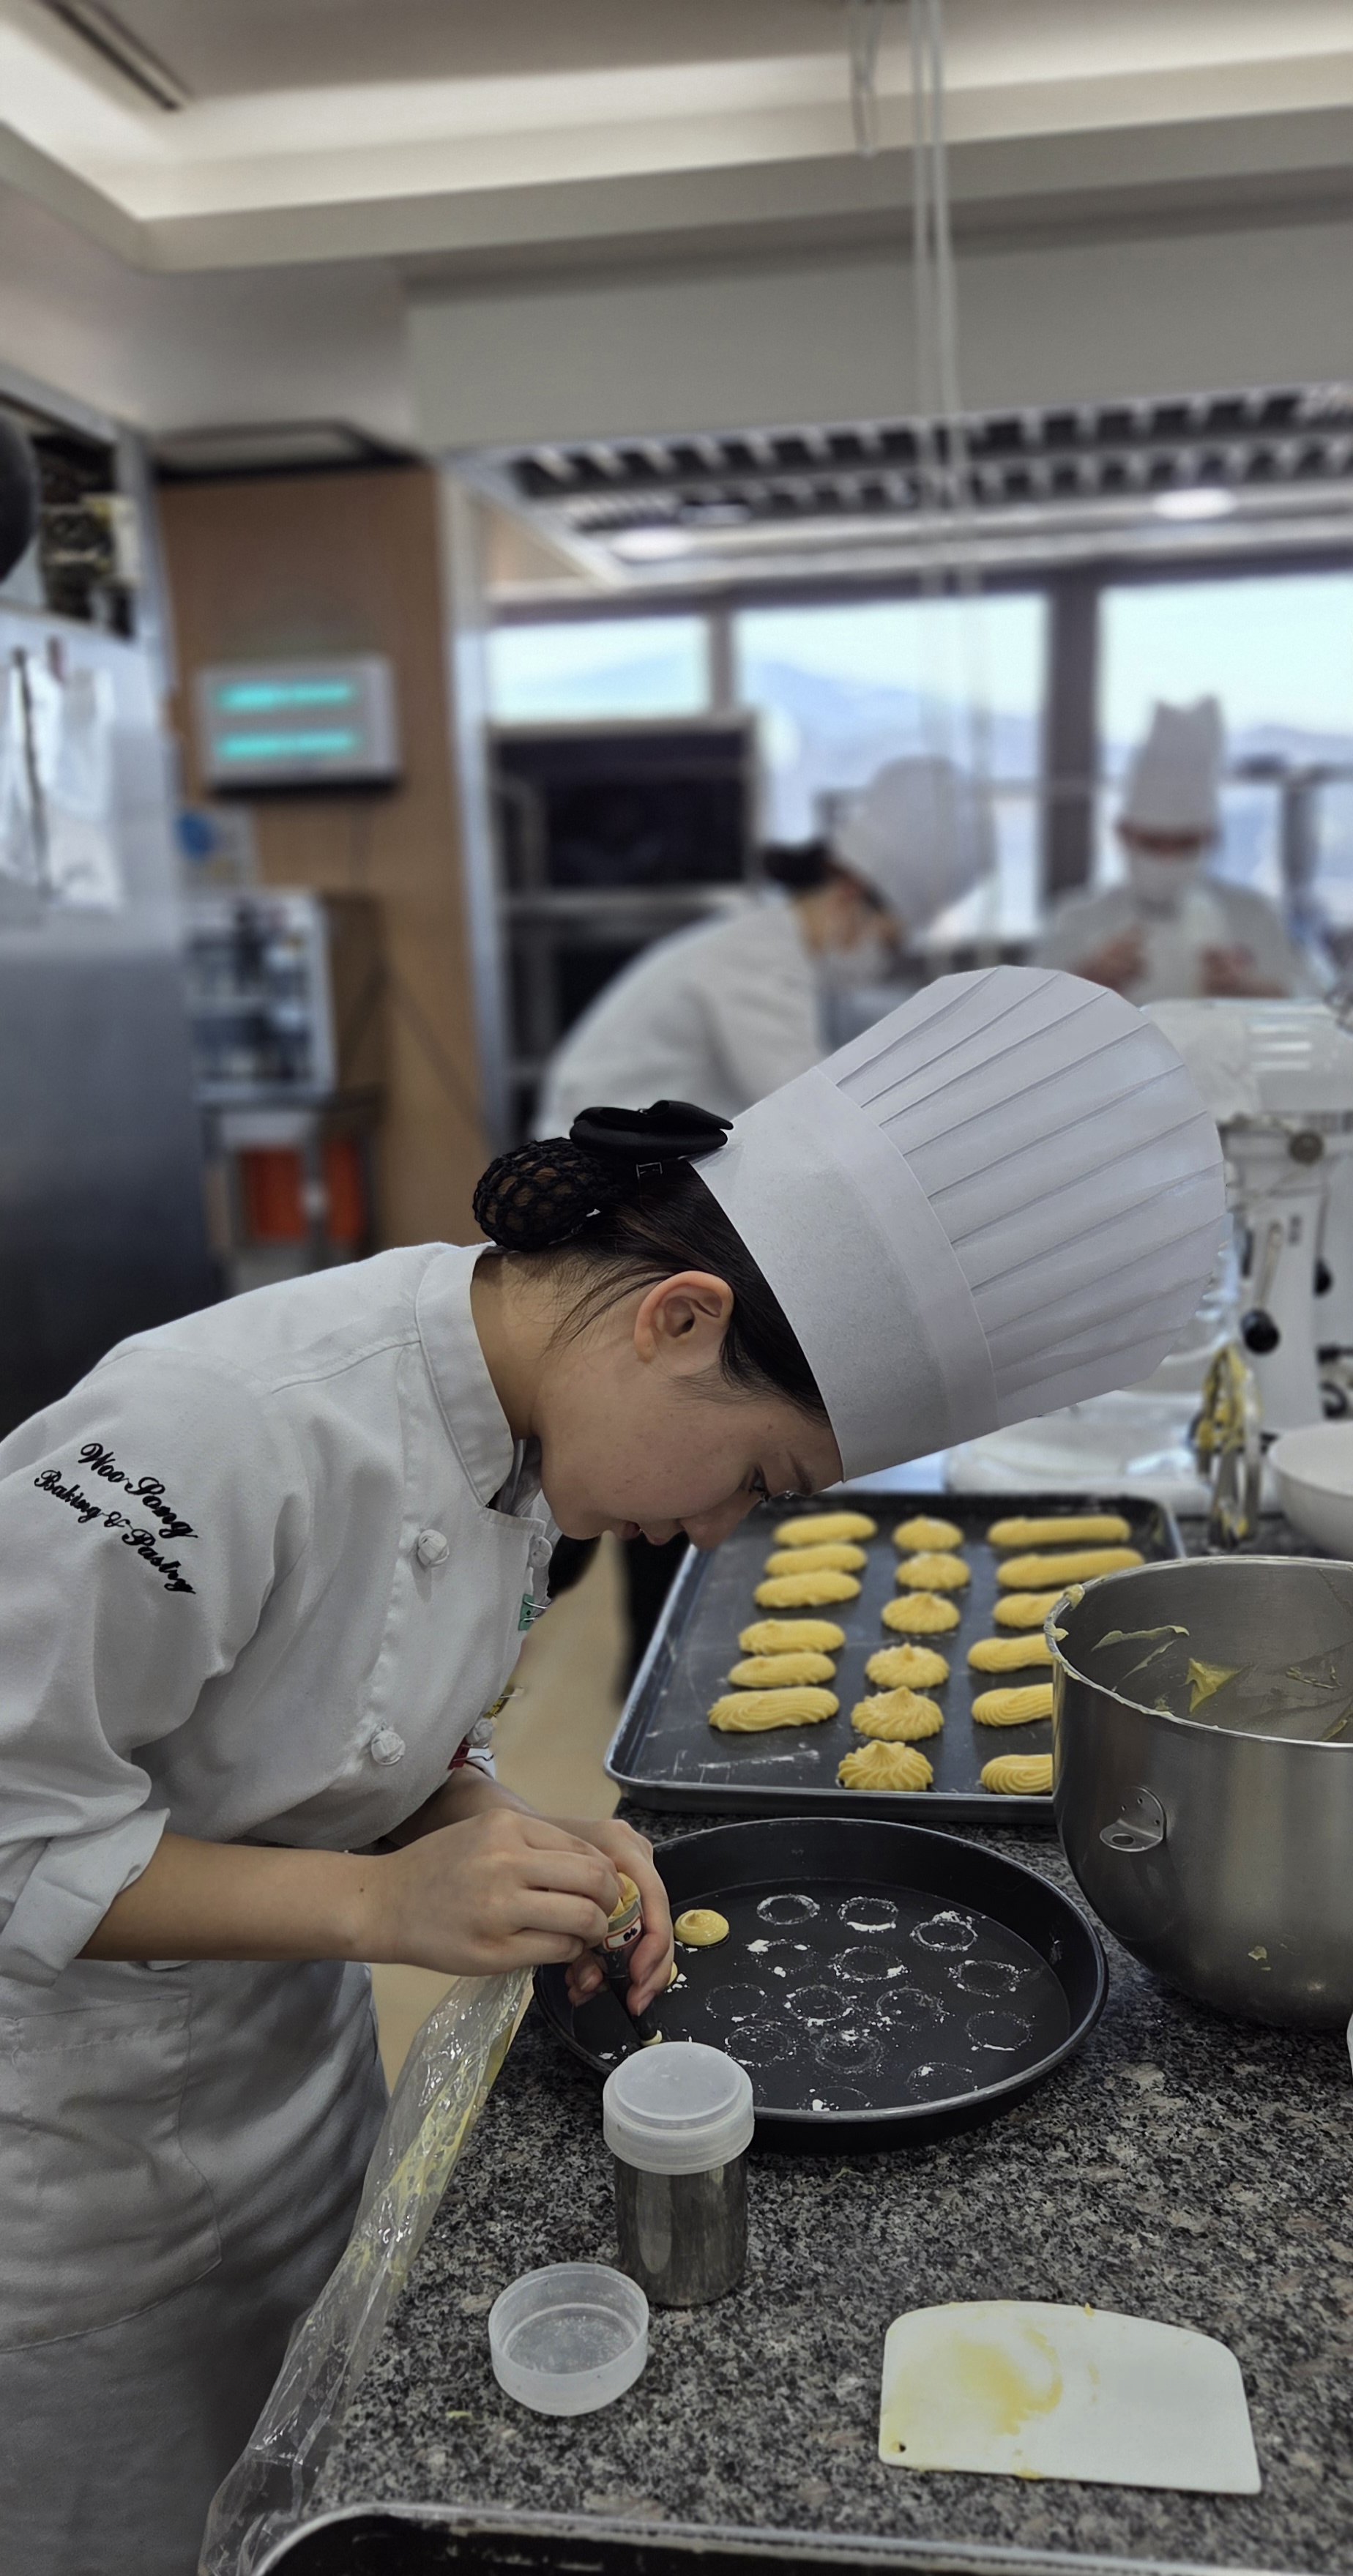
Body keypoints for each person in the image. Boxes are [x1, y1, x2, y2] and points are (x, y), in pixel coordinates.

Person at [0, 968, 1223, 2576]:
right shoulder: (209, 1433)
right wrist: (386, 1897)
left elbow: (376, 1725)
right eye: (758, 1475)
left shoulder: (514, 1436)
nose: (720, 1527)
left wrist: (491, 1824)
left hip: (289, 2115)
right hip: (70, 2195)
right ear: (679, 1319)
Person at [537, 754, 994, 1135]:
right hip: (594, 1180)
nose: (880, 961)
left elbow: (867, 1018)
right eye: (888, 942)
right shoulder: (756, 955)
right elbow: (805, 1101)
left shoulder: (775, 946)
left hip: (629, 1167)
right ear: (850, 896)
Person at [1038, 697, 1316, 1003]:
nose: (1167, 859)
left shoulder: (1255, 918)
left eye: (1184, 844)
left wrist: (1250, 993)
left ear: (1210, 839)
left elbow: (1316, 1009)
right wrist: (1087, 982)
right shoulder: (1077, 921)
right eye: (1152, 843)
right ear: (1123, 835)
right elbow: (1024, 1022)